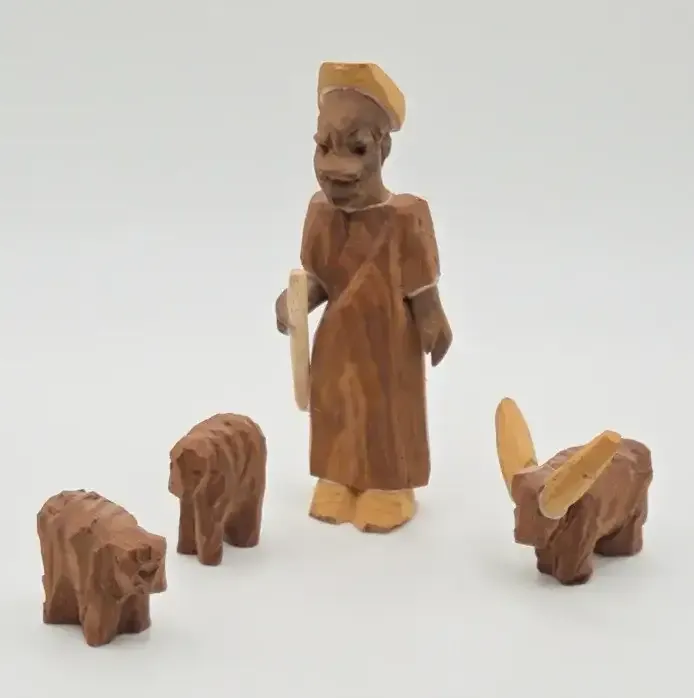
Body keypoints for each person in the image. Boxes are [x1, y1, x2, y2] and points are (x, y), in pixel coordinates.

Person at [275, 62, 453, 533]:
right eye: (324, 147)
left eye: (356, 148)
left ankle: (390, 487)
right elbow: (319, 278)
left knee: (386, 412)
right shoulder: (320, 215)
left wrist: (432, 319)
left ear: (383, 148)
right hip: (336, 343)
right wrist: (296, 300)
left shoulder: (407, 217)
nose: (336, 168)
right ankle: (337, 478)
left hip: (389, 344)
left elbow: (422, 286)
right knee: (336, 407)